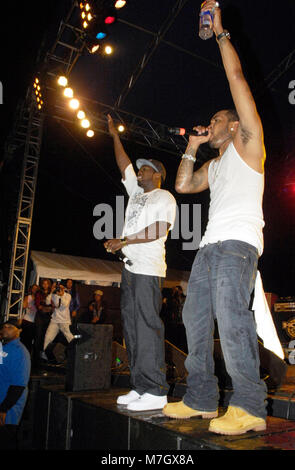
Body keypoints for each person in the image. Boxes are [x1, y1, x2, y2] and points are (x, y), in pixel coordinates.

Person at [163, 1, 268, 436]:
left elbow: (236, 78)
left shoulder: (248, 143)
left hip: (237, 244)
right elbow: (184, 185)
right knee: (195, 321)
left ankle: (249, 405)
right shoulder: (216, 164)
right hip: (209, 249)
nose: (211, 123)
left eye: (215, 120)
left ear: (231, 125)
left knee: (232, 317)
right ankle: (202, 398)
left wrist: (221, 32)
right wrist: (191, 143)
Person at [104, 114, 176, 411]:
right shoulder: (136, 193)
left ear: (157, 174)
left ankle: (157, 391)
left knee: (147, 326)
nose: (139, 171)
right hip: (130, 269)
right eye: (140, 168)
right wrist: (113, 136)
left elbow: (160, 229)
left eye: (145, 168)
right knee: (132, 327)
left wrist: (125, 240)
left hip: (147, 269)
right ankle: (140, 386)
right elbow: (123, 164)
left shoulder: (164, 197)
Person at [0, 319, 31, 449]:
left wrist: (3, 409)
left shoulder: (20, 352)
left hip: (8, 411)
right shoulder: (3, 347)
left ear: (19, 331)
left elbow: (19, 385)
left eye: (10, 327)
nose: (6, 328)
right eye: (4, 326)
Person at [42, 282, 74, 363]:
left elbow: (65, 304)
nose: (59, 289)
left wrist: (61, 295)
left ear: (64, 288)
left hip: (64, 321)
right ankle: (45, 355)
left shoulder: (68, 295)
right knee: (48, 337)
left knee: (69, 337)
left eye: (61, 287)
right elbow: (47, 302)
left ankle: (76, 354)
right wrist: (51, 292)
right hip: (55, 320)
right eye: (58, 287)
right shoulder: (54, 295)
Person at [34, 278, 53, 365]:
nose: (45, 285)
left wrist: (47, 308)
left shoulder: (51, 293)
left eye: (46, 283)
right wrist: (47, 308)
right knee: (38, 336)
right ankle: (36, 358)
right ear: (42, 285)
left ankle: (43, 356)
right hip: (40, 317)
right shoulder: (38, 293)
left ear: (49, 285)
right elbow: (39, 306)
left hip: (48, 318)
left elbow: (53, 306)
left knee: (45, 337)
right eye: (44, 283)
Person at [20, 284, 39, 355]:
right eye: (33, 288)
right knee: (23, 339)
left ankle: (27, 356)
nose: (35, 290)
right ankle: (22, 355)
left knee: (30, 341)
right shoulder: (28, 297)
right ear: (31, 289)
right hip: (26, 320)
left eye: (36, 289)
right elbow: (24, 306)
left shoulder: (40, 298)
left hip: (35, 322)